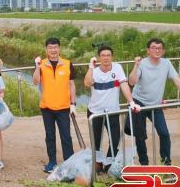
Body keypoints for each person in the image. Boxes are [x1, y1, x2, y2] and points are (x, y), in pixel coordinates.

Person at [128, 38, 180, 165]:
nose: (157, 50)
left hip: (156, 104)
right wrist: (136, 66)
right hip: (139, 102)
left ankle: (166, 162)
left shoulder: (166, 63)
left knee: (164, 133)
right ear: (148, 50)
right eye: (154, 48)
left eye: (159, 48)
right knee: (140, 135)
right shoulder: (142, 63)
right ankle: (144, 163)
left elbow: (176, 79)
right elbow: (132, 82)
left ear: (163, 51)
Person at [84, 45, 140, 172]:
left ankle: (109, 161)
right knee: (96, 140)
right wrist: (91, 67)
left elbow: (124, 85)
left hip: (112, 111)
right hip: (95, 111)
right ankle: (97, 162)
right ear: (99, 57)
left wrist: (131, 102)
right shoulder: (94, 71)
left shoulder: (117, 68)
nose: (106, 58)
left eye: (108, 55)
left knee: (115, 139)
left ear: (112, 57)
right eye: (103, 55)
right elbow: (87, 83)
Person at [32, 37, 76, 173]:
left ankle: (69, 163)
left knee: (66, 136)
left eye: (55, 47)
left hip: (64, 107)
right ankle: (52, 162)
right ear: (46, 49)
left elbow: (72, 85)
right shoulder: (41, 64)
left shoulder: (68, 64)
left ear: (59, 48)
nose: (53, 50)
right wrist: (37, 67)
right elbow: (35, 81)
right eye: (50, 48)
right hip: (47, 107)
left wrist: (73, 103)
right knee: (50, 136)